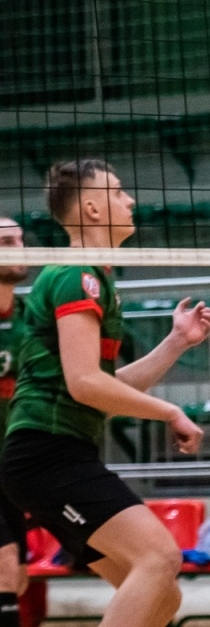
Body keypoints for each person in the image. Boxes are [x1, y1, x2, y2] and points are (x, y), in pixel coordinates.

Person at [1, 162, 210, 627]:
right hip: (45, 456)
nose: (130, 200)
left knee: (162, 597)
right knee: (158, 558)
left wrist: (176, 341)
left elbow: (106, 387)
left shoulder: (94, 278)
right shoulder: (76, 275)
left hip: (60, 456)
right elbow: (86, 384)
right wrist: (170, 411)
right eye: (118, 192)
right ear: (93, 208)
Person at [0, 218, 29, 627]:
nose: (20, 247)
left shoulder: (32, 318)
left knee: (17, 577)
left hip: (14, 467)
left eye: (21, 239)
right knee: (5, 566)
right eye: (7, 241)